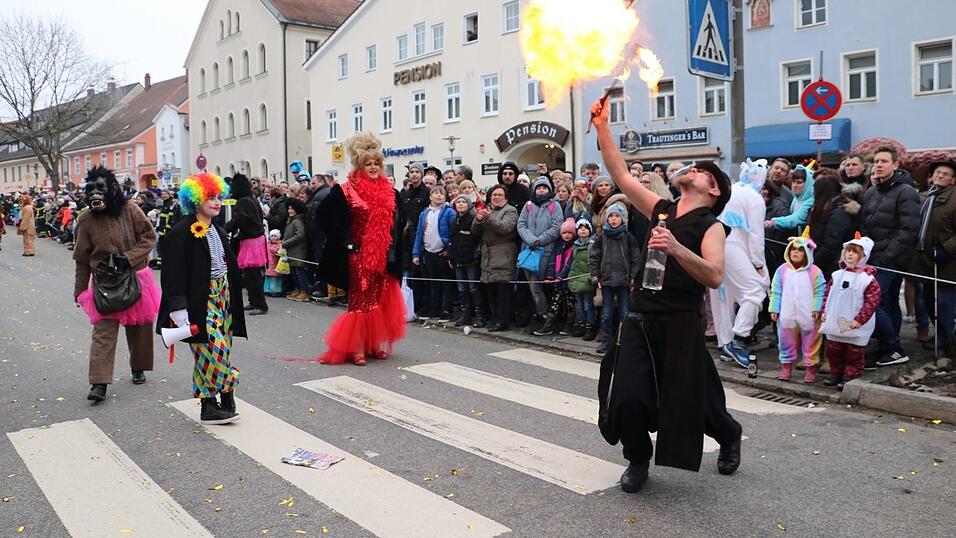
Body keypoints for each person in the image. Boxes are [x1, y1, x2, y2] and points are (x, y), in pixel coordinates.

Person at [592, 97, 741, 492]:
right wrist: (603, 126)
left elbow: (714, 275)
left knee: (694, 402)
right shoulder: (662, 209)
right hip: (641, 320)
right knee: (627, 397)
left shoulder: (711, 227)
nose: (693, 170)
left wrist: (676, 248)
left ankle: (728, 435)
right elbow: (621, 176)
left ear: (713, 189)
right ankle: (637, 459)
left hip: (679, 325)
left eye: (703, 170)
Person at [157, 172, 246, 425]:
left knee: (219, 350)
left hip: (223, 295)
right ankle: (227, 389)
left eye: (218, 197)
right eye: (210, 198)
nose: (216, 202)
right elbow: (172, 272)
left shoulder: (217, 229)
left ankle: (212, 404)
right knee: (212, 349)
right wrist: (178, 308)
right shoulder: (180, 232)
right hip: (199, 298)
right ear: (195, 200)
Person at [317, 132, 405, 365]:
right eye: (369, 163)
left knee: (377, 300)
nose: (374, 167)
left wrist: (395, 252)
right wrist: (345, 241)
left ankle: (372, 344)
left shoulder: (391, 192)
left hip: (382, 255)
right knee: (360, 301)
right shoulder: (346, 190)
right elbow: (323, 216)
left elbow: (399, 223)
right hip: (358, 256)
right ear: (359, 165)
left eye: (377, 163)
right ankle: (356, 347)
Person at [74, 166, 160, 401]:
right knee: (103, 332)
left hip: (136, 277)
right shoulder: (86, 220)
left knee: (140, 326)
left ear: (112, 190)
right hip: (105, 284)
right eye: (90, 189)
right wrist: (80, 290)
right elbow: (81, 258)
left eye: (99, 188)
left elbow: (149, 237)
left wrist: (129, 258)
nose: (94, 194)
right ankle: (99, 383)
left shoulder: (130, 210)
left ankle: (138, 366)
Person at [860, 146, 920, 368]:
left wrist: (886, 256)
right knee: (888, 302)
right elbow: (865, 223)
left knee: (872, 302)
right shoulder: (871, 192)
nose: (879, 165)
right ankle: (888, 347)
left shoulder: (906, 192)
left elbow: (908, 230)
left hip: (891, 259)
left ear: (896, 165)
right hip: (872, 256)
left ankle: (894, 346)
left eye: (884, 161)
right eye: (876, 161)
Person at [712, 159, 770, 368]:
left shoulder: (731, 190)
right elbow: (756, 234)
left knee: (722, 297)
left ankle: (725, 343)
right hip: (735, 246)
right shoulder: (754, 198)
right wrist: (757, 263)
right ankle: (739, 339)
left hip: (714, 244)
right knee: (755, 291)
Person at [820, 234, 880, 388]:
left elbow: (871, 302)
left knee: (854, 353)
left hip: (855, 323)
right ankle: (836, 374)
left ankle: (850, 377)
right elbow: (828, 294)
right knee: (834, 351)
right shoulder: (836, 275)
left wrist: (859, 320)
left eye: (854, 252)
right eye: (848, 251)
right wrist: (824, 311)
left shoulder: (867, 280)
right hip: (835, 320)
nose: (850, 255)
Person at [910, 159, 956, 358]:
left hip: (947, 261)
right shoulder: (926, 196)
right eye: (937, 172)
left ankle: (947, 342)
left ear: (952, 180)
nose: (940, 176)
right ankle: (940, 334)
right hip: (925, 259)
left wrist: (947, 248)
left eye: (945, 174)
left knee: (945, 302)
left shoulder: (954, 198)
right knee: (928, 300)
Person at [768, 228, 826, 383]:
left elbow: (820, 291)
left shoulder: (815, 272)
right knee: (785, 341)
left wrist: (816, 308)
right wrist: (774, 308)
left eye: (800, 250)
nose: (795, 253)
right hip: (786, 315)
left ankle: (810, 368)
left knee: (811, 342)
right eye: (793, 249)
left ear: (807, 253)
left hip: (809, 316)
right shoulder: (781, 270)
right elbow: (776, 291)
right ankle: (786, 367)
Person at [589, 204, 641, 353]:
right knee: (606, 313)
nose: (613, 219)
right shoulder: (602, 237)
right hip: (606, 280)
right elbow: (594, 257)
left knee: (624, 313)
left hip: (624, 281)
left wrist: (632, 278)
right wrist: (595, 276)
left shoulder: (628, 237)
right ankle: (606, 340)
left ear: (622, 219)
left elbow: (635, 259)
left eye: (617, 216)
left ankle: (624, 341)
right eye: (611, 216)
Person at [517, 177, 564, 332]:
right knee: (532, 287)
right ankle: (539, 315)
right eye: (538, 188)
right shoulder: (528, 206)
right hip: (529, 250)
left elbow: (557, 227)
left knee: (540, 287)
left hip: (546, 251)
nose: (541, 190)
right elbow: (521, 224)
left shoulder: (554, 206)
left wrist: (540, 240)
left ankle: (546, 318)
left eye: (544, 188)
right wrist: (531, 240)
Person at [473, 184, 518, 332]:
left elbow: (504, 228)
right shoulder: (487, 209)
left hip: (503, 254)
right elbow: (475, 231)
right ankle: (494, 318)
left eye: (499, 195)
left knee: (502, 291)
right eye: (494, 195)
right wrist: (478, 220)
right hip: (487, 255)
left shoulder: (510, 210)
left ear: (505, 197)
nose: (496, 197)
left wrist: (489, 217)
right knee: (490, 290)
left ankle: (502, 321)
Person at [225, 174, 269, 315]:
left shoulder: (243, 202)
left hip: (251, 240)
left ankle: (260, 304)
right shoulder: (251, 199)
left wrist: (224, 229)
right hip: (254, 239)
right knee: (250, 275)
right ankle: (254, 301)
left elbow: (239, 220)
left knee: (252, 275)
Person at [413, 185, 456, 321]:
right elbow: (419, 233)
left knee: (445, 283)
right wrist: (416, 253)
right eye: (435, 193)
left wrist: (448, 250)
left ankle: (446, 310)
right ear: (430, 196)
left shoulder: (449, 212)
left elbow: (453, 233)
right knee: (432, 283)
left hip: (442, 253)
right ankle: (434, 308)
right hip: (428, 252)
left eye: (441, 194)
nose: (439, 196)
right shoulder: (424, 213)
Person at [808, 171, 860, 276]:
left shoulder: (838, 212)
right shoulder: (822, 209)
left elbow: (831, 245)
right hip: (820, 261)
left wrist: (813, 264)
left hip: (830, 267)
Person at [535, 218, 578, 336]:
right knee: (555, 302)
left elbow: (569, 264)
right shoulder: (558, 246)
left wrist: (561, 276)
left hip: (567, 280)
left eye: (570, 233)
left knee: (570, 304)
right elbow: (552, 262)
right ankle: (548, 325)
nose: (567, 235)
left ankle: (569, 325)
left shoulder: (574, 247)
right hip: (557, 280)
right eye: (564, 233)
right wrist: (550, 276)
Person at [448, 194, 484, 327]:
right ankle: (465, 315)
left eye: (463, 202)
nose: (461, 204)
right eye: (458, 202)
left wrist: (475, 255)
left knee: (473, 288)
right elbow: (452, 241)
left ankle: (479, 315)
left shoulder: (472, 219)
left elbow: (477, 240)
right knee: (462, 288)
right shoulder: (454, 221)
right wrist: (451, 257)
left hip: (471, 260)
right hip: (458, 260)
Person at [400, 162, 430, 317]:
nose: (414, 174)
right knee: (408, 270)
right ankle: (409, 304)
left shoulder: (426, 192)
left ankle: (422, 304)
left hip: (419, 236)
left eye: (417, 172)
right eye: (412, 172)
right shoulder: (404, 193)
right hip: (406, 236)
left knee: (420, 271)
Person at [568, 219, 597, 339]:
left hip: (587, 279)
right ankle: (582, 324)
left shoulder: (592, 245)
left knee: (588, 305)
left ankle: (590, 327)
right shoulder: (574, 245)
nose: (583, 230)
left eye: (586, 227)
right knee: (579, 305)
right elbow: (572, 262)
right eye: (580, 228)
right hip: (576, 278)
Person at [766, 164, 814, 233]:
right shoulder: (796, 199)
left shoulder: (810, 201)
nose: (794, 185)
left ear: (808, 184)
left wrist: (774, 222)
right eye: (793, 182)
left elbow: (796, 218)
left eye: (799, 182)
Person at [282, 199, 311, 302]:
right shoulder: (291, 220)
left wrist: (285, 243)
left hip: (298, 250)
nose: (290, 211)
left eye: (292, 209)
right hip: (292, 250)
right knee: (294, 271)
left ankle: (304, 291)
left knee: (299, 271)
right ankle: (298, 289)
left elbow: (299, 235)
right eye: (289, 209)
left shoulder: (297, 221)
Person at [265, 229, 284, 296]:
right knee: (269, 277)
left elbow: (279, 252)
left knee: (275, 277)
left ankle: (275, 291)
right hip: (269, 263)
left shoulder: (280, 244)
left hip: (275, 263)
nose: (273, 237)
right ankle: (267, 290)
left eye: (275, 236)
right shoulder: (268, 243)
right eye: (272, 236)